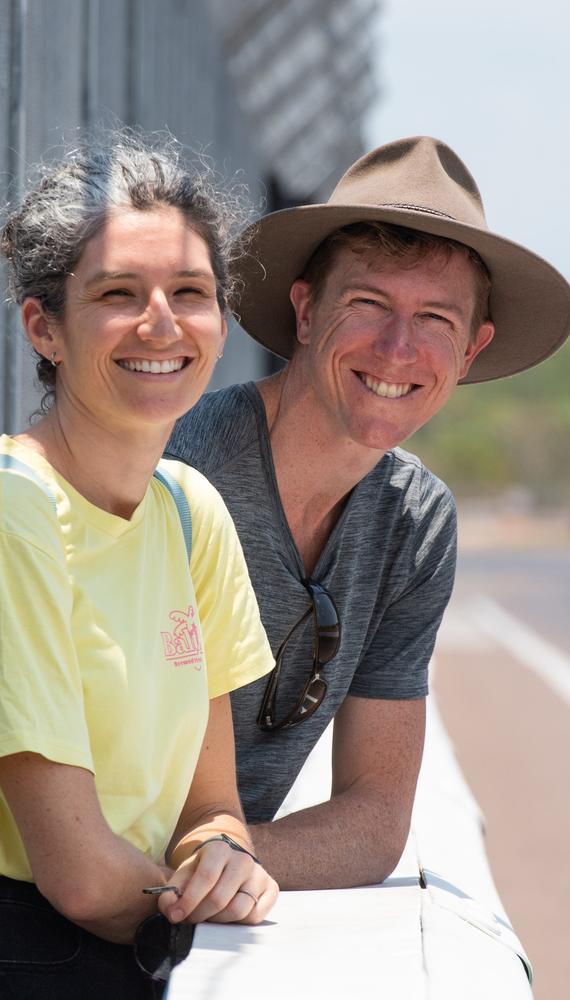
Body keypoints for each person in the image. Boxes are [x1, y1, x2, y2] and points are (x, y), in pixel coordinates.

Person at [0, 132, 278, 1000]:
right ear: (43, 326)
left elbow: (210, 806)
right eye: (119, 293)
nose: (162, 322)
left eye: (190, 292)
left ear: (221, 323)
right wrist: (193, 902)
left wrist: (223, 858)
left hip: (128, 933)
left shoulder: (191, 513)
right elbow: (77, 873)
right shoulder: (4, 512)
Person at [167, 135, 570, 890]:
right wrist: (204, 867)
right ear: (306, 310)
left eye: (436, 322)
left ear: (472, 351)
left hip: (192, 898)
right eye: (368, 304)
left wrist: (232, 860)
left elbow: (375, 819)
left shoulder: (415, 525)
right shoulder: (183, 474)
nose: (397, 348)